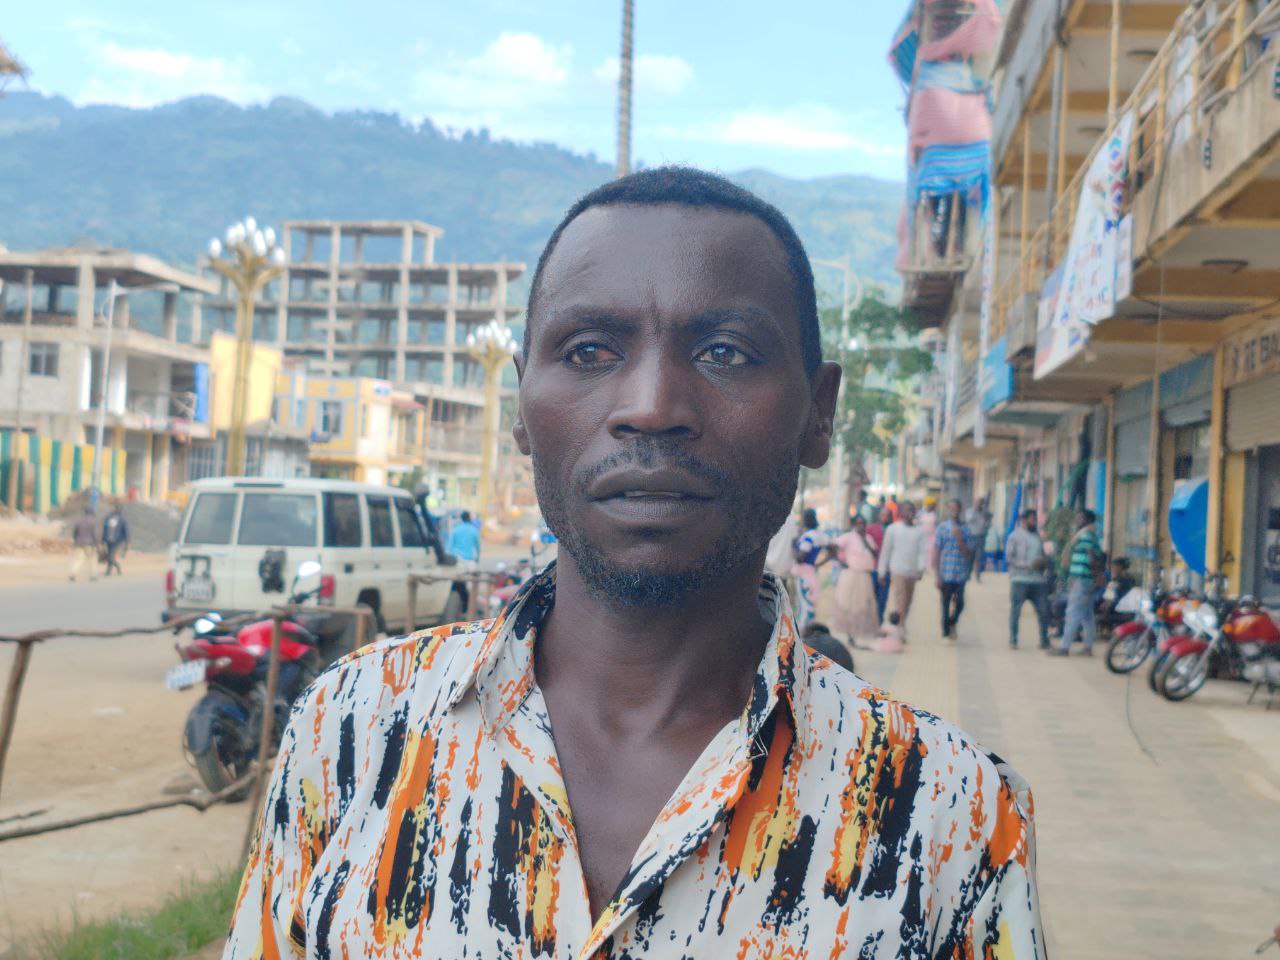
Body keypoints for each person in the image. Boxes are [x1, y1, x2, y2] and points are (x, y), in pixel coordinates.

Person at [228, 167, 1043, 958]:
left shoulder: (950, 808)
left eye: (726, 352)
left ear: (817, 414)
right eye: (589, 351)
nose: (651, 407)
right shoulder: (352, 730)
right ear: (522, 407)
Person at [1052, 509, 1104, 656]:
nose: (1077, 520)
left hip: (1083, 579)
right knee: (1087, 615)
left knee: (1072, 612)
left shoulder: (1086, 536)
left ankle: (1064, 647)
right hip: (1085, 579)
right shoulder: (1090, 535)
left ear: (1088, 520)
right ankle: (1087, 647)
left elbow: (1091, 557)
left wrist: (1093, 575)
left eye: (1080, 518)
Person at [877, 501, 930, 632]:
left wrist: (921, 569)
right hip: (897, 570)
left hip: (912, 571)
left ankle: (901, 624)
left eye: (911, 510)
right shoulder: (893, 529)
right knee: (900, 600)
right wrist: (881, 571)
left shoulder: (919, 531)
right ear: (900, 512)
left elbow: (922, 552)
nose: (909, 513)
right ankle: (899, 630)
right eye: (906, 510)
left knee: (907, 601)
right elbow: (886, 551)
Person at [829, 514, 879, 644]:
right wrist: (840, 561)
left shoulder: (868, 538)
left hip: (865, 576)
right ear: (853, 525)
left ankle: (857, 635)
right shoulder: (848, 536)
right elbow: (832, 546)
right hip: (851, 575)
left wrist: (864, 540)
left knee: (862, 605)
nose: (861, 526)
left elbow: (874, 553)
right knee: (849, 605)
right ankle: (849, 634)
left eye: (863, 523)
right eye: (858, 523)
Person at [1006, 509, 1050, 649]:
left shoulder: (1038, 537)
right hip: (1020, 579)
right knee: (1016, 611)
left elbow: (1043, 555)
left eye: (1035, 519)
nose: (1034, 522)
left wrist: (1044, 562)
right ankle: (1013, 639)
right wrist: (1029, 564)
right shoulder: (1015, 536)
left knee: (1043, 611)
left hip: (1038, 580)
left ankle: (1044, 640)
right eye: (1032, 519)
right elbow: (1009, 558)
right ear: (1024, 520)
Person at [933, 498, 975, 640]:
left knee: (960, 603)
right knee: (945, 603)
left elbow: (968, 553)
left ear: (960, 510)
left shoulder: (966, 529)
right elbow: (937, 550)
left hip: (960, 573)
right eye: (951, 508)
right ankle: (945, 630)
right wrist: (937, 575)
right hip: (946, 572)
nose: (954, 511)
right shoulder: (942, 528)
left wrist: (959, 538)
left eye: (956, 508)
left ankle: (952, 621)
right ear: (948, 510)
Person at [791, 508, 829, 630]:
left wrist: (793, 546)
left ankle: (803, 632)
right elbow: (833, 550)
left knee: (804, 605)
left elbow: (800, 558)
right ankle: (808, 630)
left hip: (802, 574)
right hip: (811, 572)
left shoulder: (808, 537)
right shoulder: (820, 535)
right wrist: (819, 564)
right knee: (809, 603)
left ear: (805, 519)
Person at [447, 509, 482, 612]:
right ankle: (471, 609)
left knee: (458, 586)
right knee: (471, 586)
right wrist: (477, 559)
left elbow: (449, 547)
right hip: (470, 560)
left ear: (461, 519)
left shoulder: (455, 530)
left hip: (458, 561)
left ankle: (461, 608)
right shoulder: (474, 530)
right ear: (469, 518)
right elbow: (478, 547)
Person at [867, 506, 892, 622]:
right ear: (878, 516)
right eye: (882, 515)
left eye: (887, 515)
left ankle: (879, 621)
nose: (885, 518)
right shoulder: (871, 529)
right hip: (872, 567)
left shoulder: (892, 529)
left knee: (882, 598)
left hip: (887, 569)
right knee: (870, 596)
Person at [966, 498, 993, 582]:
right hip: (971, 536)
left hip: (981, 536)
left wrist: (986, 520)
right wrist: (975, 511)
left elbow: (989, 524)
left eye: (981, 503)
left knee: (979, 557)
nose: (979, 505)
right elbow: (968, 520)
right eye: (978, 503)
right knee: (970, 557)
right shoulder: (970, 511)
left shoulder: (985, 512)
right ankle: (967, 575)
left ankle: (977, 575)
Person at [69, 506, 98, 582]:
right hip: (90, 544)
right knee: (92, 560)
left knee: (78, 559)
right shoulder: (93, 521)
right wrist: (97, 544)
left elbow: (74, 533)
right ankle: (93, 575)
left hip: (79, 543)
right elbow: (95, 534)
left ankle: (73, 574)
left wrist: (75, 541)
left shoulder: (79, 521)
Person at [101, 501, 129, 577]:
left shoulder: (122, 519)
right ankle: (109, 570)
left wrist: (127, 541)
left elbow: (126, 530)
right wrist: (103, 539)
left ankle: (117, 567)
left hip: (117, 541)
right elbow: (105, 529)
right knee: (110, 555)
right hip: (108, 540)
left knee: (111, 556)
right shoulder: (108, 518)